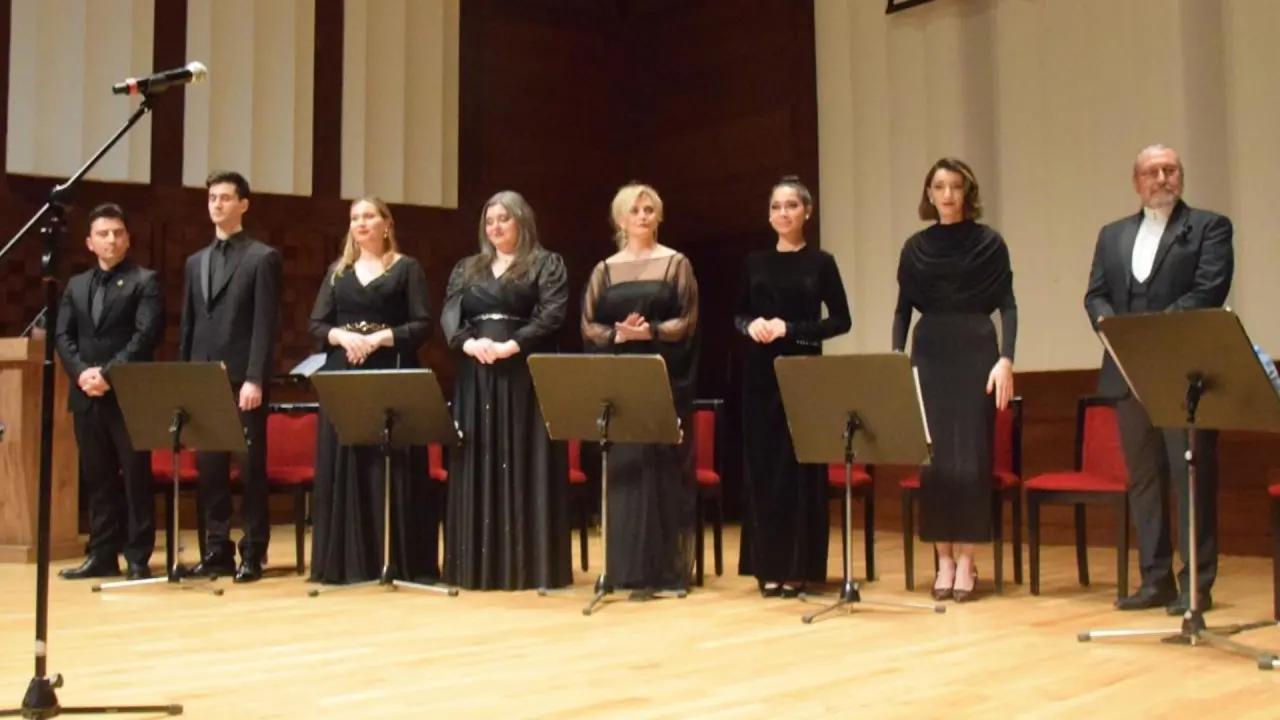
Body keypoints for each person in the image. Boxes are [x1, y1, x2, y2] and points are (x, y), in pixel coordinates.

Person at [1085, 144, 1234, 615]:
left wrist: (1152, 334)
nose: (1162, 178)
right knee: (1145, 479)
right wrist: (1112, 328)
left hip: (1184, 372)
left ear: (1181, 177)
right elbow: (1095, 295)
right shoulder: (1112, 234)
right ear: (1137, 182)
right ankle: (1156, 579)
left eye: (1170, 170)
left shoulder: (1209, 227)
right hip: (1126, 372)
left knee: (1191, 477)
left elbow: (1209, 289)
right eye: (1152, 172)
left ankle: (1196, 584)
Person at [894, 157, 1017, 604]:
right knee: (934, 461)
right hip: (929, 353)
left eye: (956, 186)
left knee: (970, 458)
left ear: (968, 192)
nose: (948, 194)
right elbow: (903, 309)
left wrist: (1006, 359)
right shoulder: (915, 247)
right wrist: (896, 360)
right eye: (940, 186)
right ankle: (943, 559)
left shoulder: (989, 243)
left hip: (976, 352)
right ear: (929, 194)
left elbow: (1008, 305)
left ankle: (967, 560)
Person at [441, 191, 573, 591]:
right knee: (478, 457)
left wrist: (511, 346)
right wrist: (468, 343)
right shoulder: (468, 268)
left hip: (524, 373)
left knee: (524, 456)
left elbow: (552, 314)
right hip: (477, 372)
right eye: (489, 221)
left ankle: (528, 567)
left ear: (521, 221)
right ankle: (475, 566)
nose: (495, 227)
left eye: (504, 219)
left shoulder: (546, 263)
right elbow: (450, 313)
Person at [307, 197, 440, 585]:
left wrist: (380, 338)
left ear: (387, 224)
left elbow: (423, 324)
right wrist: (343, 337)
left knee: (390, 463)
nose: (360, 223)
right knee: (347, 459)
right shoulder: (338, 272)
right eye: (354, 218)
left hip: (391, 369)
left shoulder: (406, 268)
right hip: (345, 372)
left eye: (368, 216)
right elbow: (317, 325)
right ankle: (347, 563)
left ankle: (396, 560)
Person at [581, 182, 700, 600]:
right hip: (621, 376)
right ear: (621, 219)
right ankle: (625, 568)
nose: (643, 216)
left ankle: (661, 570)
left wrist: (648, 331)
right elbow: (588, 325)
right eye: (635, 210)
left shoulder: (675, 263)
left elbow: (688, 320)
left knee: (661, 466)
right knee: (626, 466)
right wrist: (619, 335)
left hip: (662, 374)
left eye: (649, 209)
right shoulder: (605, 269)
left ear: (659, 216)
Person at [735, 176, 850, 597]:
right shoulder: (754, 262)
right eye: (776, 207)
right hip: (759, 375)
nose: (783, 213)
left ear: (807, 212)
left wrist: (792, 329)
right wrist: (751, 326)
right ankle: (768, 566)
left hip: (803, 372)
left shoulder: (821, 263)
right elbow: (739, 314)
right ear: (769, 216)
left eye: (791, 205)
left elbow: (841, 321)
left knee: (800, 468)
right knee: (764, 469)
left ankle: (799, 566)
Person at [178, 171, 282, 583]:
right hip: (203, 378)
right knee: (210, 469)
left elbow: (264, 325)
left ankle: (253, 550)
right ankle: (216, 549)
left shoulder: (261, 257)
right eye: (212, 198)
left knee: (250, 468)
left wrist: (255, 377)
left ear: (243, 204)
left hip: (243, 379)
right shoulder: (195, 262)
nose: (217, 204)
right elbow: (188, 326)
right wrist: (186, 381)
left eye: (225, 197)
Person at [53, 203, 163, 580]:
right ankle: (101, 554)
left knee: (135, 478)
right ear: (90, 242)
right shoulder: (76, 285)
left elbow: (145, 336)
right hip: (86, 394)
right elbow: (63, 335)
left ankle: (138, 556)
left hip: (128, 394)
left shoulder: (145, 281)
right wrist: (82, 373)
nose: (111, 240)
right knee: (97, 479)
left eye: (118, 233)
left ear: (128, 239)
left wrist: (108, 374)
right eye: (103, 234)